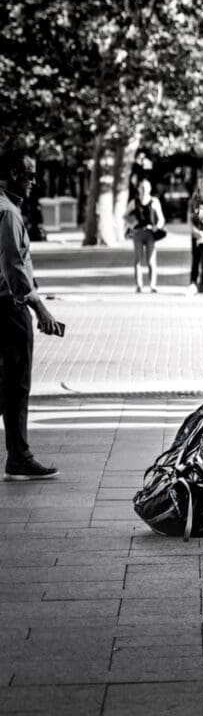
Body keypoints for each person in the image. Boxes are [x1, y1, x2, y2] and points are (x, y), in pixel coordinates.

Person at [0, 149, 61, 480]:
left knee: (5, 380)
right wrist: (40, 308)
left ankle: (18, 453)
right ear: (12, 174)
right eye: (29, 175)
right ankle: (19, 455)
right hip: (9, 307)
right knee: (16, 381)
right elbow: (14, 267)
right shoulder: (7, 213)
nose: (34, 182)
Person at [124, 179, 165, 293]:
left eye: (146, 187)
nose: (144, 189)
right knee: (138, 260)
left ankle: (152, 285)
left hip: (150, 233)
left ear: (150, 188)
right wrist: (132, 224)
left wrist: (158, 226)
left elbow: (161, 218)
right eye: (142, 187)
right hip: (138, 233)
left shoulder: (154, 201)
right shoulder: (134, 202)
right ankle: (139, 285)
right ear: (139, 189)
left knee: (151, 260)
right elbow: (125, 216)